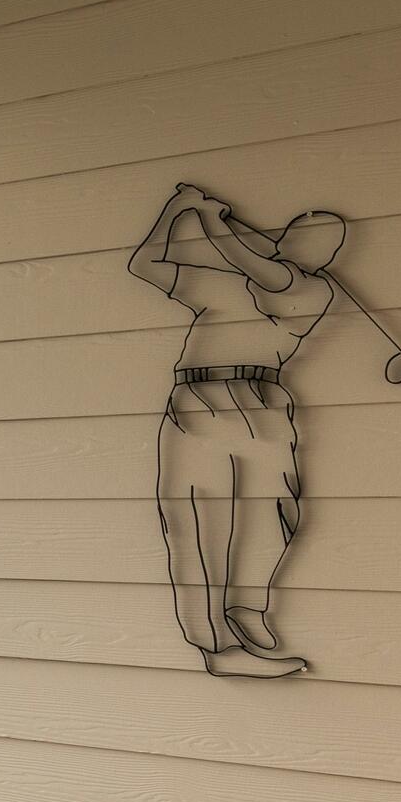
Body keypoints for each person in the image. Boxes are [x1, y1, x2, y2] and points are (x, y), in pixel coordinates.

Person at [128, 183, 351, 678]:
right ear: (285, 237)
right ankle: (217, 648)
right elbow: (145, 266)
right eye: (303, 234)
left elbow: (260, 269)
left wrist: (210, 220)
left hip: (261, 406)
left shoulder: (313, 290)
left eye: (324, 243)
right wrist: (175, 209)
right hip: (197, 404)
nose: (311, 247)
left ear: (329, 256)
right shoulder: (227, 283)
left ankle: (245, 611)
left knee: (273, 517)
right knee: (197, 522)